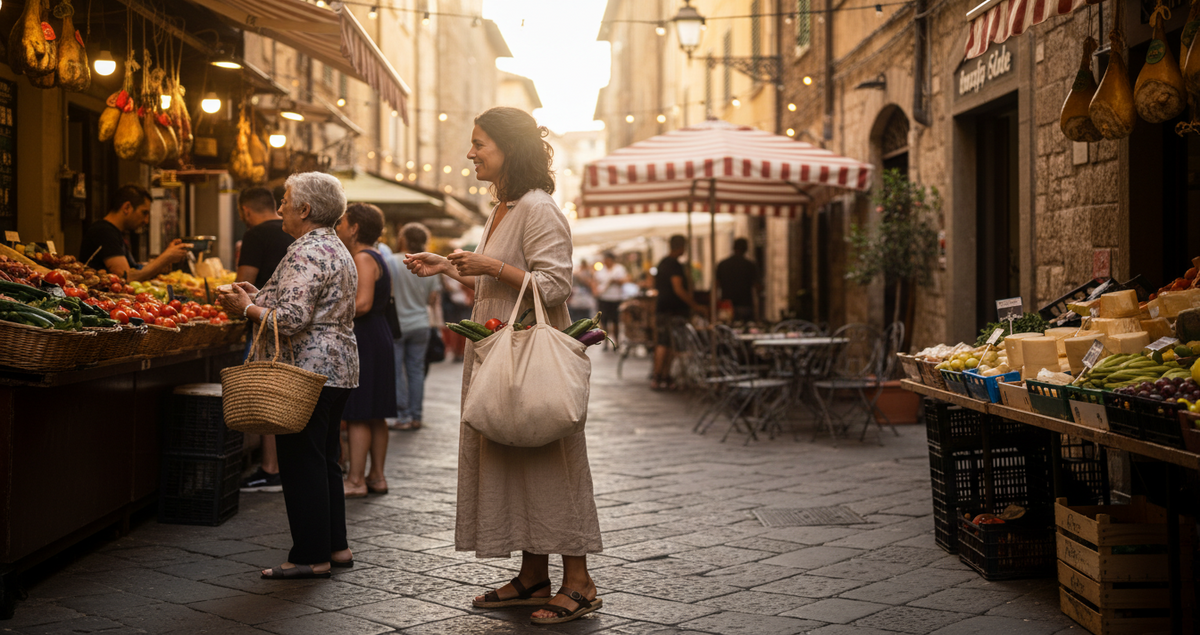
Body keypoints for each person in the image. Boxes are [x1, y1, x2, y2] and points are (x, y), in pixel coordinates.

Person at [404, 107, 603, 625]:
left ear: (508, 149)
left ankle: (579, 582)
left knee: (550, 462)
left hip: (528, 358)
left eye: (479, 143)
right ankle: (533, 575)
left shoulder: (539, 208)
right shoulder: (503, 209)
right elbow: (501, 287)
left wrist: (490, 263)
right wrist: (451, 267)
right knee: (516, 459)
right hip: (500, 352)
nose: (470, 153)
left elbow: (556, 285)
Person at [216, 172, 358, 580]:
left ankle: (309, 556)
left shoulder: (305, 251)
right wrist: (258, 295)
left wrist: (246, 308)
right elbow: (312, 305)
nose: (279, 209)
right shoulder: (334, 246)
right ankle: (336, 547)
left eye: (284, 201)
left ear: (304, 209)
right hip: (337, 368)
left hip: (308, 370)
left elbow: (291, 320)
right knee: (325, 460)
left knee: (302, 463)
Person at [235, 187, 296, 494]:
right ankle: (281, 466)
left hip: (266, 322)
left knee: (265, 396)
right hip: (289, 329)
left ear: (245, 211)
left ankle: (271, 468)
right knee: (285, 396)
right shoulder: (296, 236)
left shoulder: (256, 235)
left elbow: (242, 280)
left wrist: (245, 304)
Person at [337, 203, 397, 499]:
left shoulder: (362, 256)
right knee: (377, 413)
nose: (338, 228)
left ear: (355, 228)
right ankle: (377, 477)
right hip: (379, 335)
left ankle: (356, 479)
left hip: (366, 338)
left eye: (341, 223)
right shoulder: (378, 255)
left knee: (360, 412)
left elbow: (362, 304)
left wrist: (330, 311)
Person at [386, 222, 441, 431]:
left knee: (398, 371)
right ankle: (417, 415)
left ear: (403, 239)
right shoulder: (430, 263)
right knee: (416, 370)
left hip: (397, 324)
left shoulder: (391, 261)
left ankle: (403, 416)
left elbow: (387, 290)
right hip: (421, 324)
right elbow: (432, 299)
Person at [79, 184, 193, 281]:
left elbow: (133, 269)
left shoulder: (117, 233)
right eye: (144, 213)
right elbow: (126, 277)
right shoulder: (104, 231)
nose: (146, 221)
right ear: (127, 207)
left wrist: (161, 264)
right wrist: (165, 258)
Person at [652, 234, 703, 391]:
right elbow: (678, 288)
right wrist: (695, 305)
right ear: (681, 247)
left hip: (663, 307)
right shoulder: (674, 265)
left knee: (667, 343)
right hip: (671, 309)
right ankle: (659, 376)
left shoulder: (662, 263)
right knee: (665, 343)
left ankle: (663, 376)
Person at [716, 237, 761, 323]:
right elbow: (757, 286)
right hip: (745, 305)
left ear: (733, 247)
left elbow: (716, 285)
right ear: (746, 249)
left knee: (726, 329)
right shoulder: (750, 265)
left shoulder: (723, 264)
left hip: (727, 305)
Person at [590, 252, 628, 346]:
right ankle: (605, 341)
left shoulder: (619, 269)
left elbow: (625, 280)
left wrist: (615, 281)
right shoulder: (601, 270)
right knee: (604, 320)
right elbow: (594, 282)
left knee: (615, 320)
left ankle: (616, 340)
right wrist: (595, 291)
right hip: (603, 298)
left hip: (616, 298)